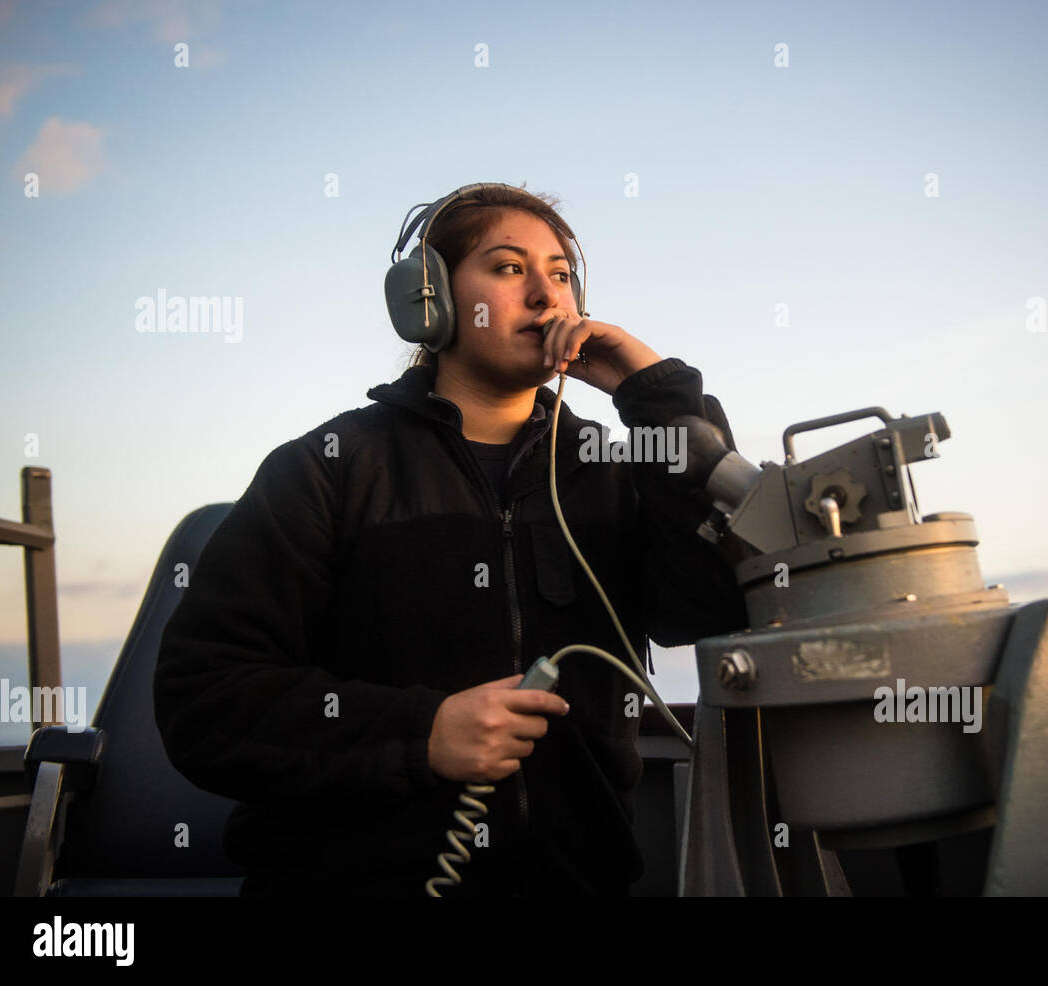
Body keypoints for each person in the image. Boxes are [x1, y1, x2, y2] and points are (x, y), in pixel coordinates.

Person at [153, 183, 751, 896]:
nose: (546, 296)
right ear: (428, 297)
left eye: (560, 275)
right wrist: (420, 733)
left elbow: (714, 610)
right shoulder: (328, 471)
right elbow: (206, 699)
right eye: (507, 268)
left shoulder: (610, 473)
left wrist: (658, 396)